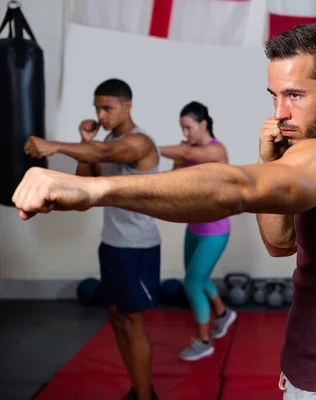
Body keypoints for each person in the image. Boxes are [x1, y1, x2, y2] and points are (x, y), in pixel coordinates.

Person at [13, 23, 316, 400]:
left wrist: (91, 189)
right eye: (273, 96)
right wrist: (267, 157)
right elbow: (280, 244)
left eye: (294, 95)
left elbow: (237, 187)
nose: (279, 113)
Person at [23, 78, 161, 400]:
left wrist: (54, 145)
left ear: (127, 106)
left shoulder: (140, 143)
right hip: (112, 243)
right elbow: (85, 189)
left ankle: (145, 398)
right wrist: (85, 142)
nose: (101, 115)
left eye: (108, 108)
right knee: (116, 317)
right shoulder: (106, 139)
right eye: (97, 108)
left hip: (138, 247)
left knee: (133, 321)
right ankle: (140, 389)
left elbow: (106, 151)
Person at [158, 101, 237, 361]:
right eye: (182, 128)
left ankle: (204, 340)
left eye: (189, 127)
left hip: (215, 230)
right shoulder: (188, 149)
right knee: (198, 278)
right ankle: (224, 314)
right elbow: (176, 178)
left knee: (191, 284)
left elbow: (194, 156)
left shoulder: (217, 151)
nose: (185, 134)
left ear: (203, 124)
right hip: (194, 227)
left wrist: (151, 148)